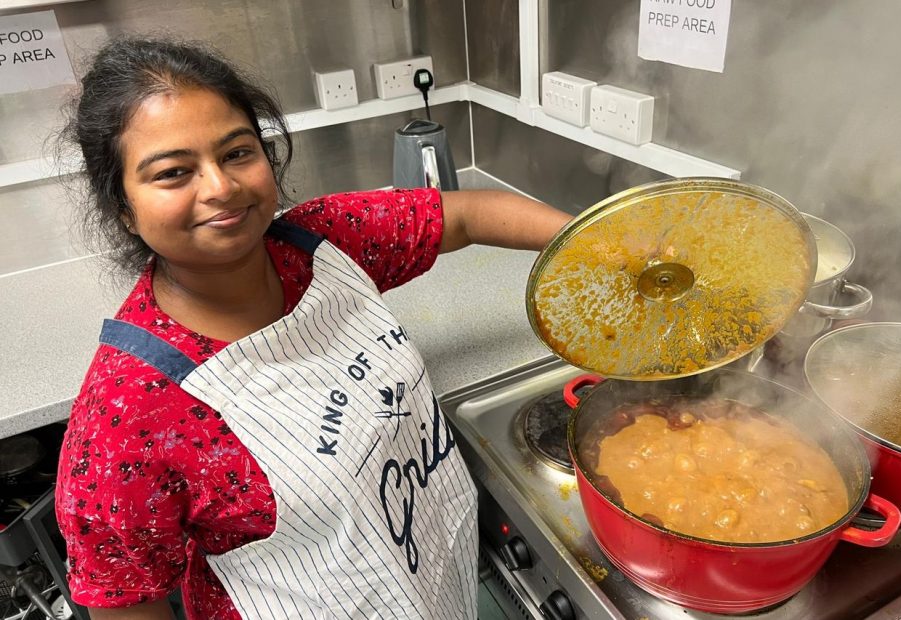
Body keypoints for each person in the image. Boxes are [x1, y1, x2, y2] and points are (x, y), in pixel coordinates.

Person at [54, 36, 571, 620]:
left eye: (237, 153)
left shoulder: (323, 243)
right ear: (123, 207)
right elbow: (128, 606)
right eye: (174, 173)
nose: (221, 187)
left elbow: (467, 215)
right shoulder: (127, 414)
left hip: (433, 578)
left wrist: (603, 242)